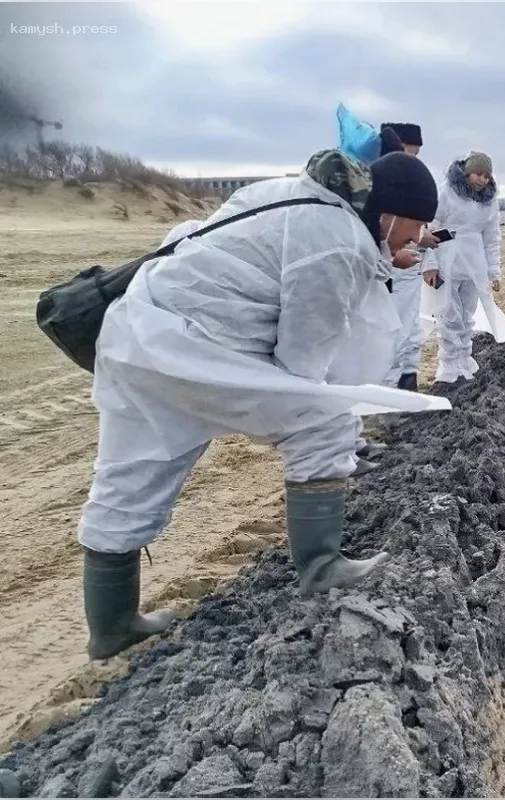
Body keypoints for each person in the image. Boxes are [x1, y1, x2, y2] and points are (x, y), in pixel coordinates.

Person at [76, 148, 447, 661]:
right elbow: (302, 360)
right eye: (417, 224)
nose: (419, 236)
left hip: (137, 338)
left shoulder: (288, 194)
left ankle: (112, 627)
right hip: (202, 350)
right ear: (389, 213)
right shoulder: (338, 242)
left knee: (128, 475)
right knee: (323, 417)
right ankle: (322, 567)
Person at [419, 151, 505, 384]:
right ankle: (450, 366)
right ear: (467, 172)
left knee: (467, 315)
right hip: (447, 259)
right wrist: (430, 263)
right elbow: (430, 227)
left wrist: (494, 270)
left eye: (487, 176)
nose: (483, 180)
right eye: (478, 174)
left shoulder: (489, 202)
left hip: (474, 263)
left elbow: (491, 238)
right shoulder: (447, 192)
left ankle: (464, 361)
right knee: (449, 315)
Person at [378, 122, 439, 391]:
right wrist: (391, 257)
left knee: (410, 327)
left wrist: (426, 252)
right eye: (408, 153)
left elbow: (418, 226)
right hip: (390, 270)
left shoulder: (410, 185)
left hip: (409, 267)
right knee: (392, 332)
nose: (412, 160)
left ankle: (407, 380)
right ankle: (388, 392)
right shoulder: (383, 184)